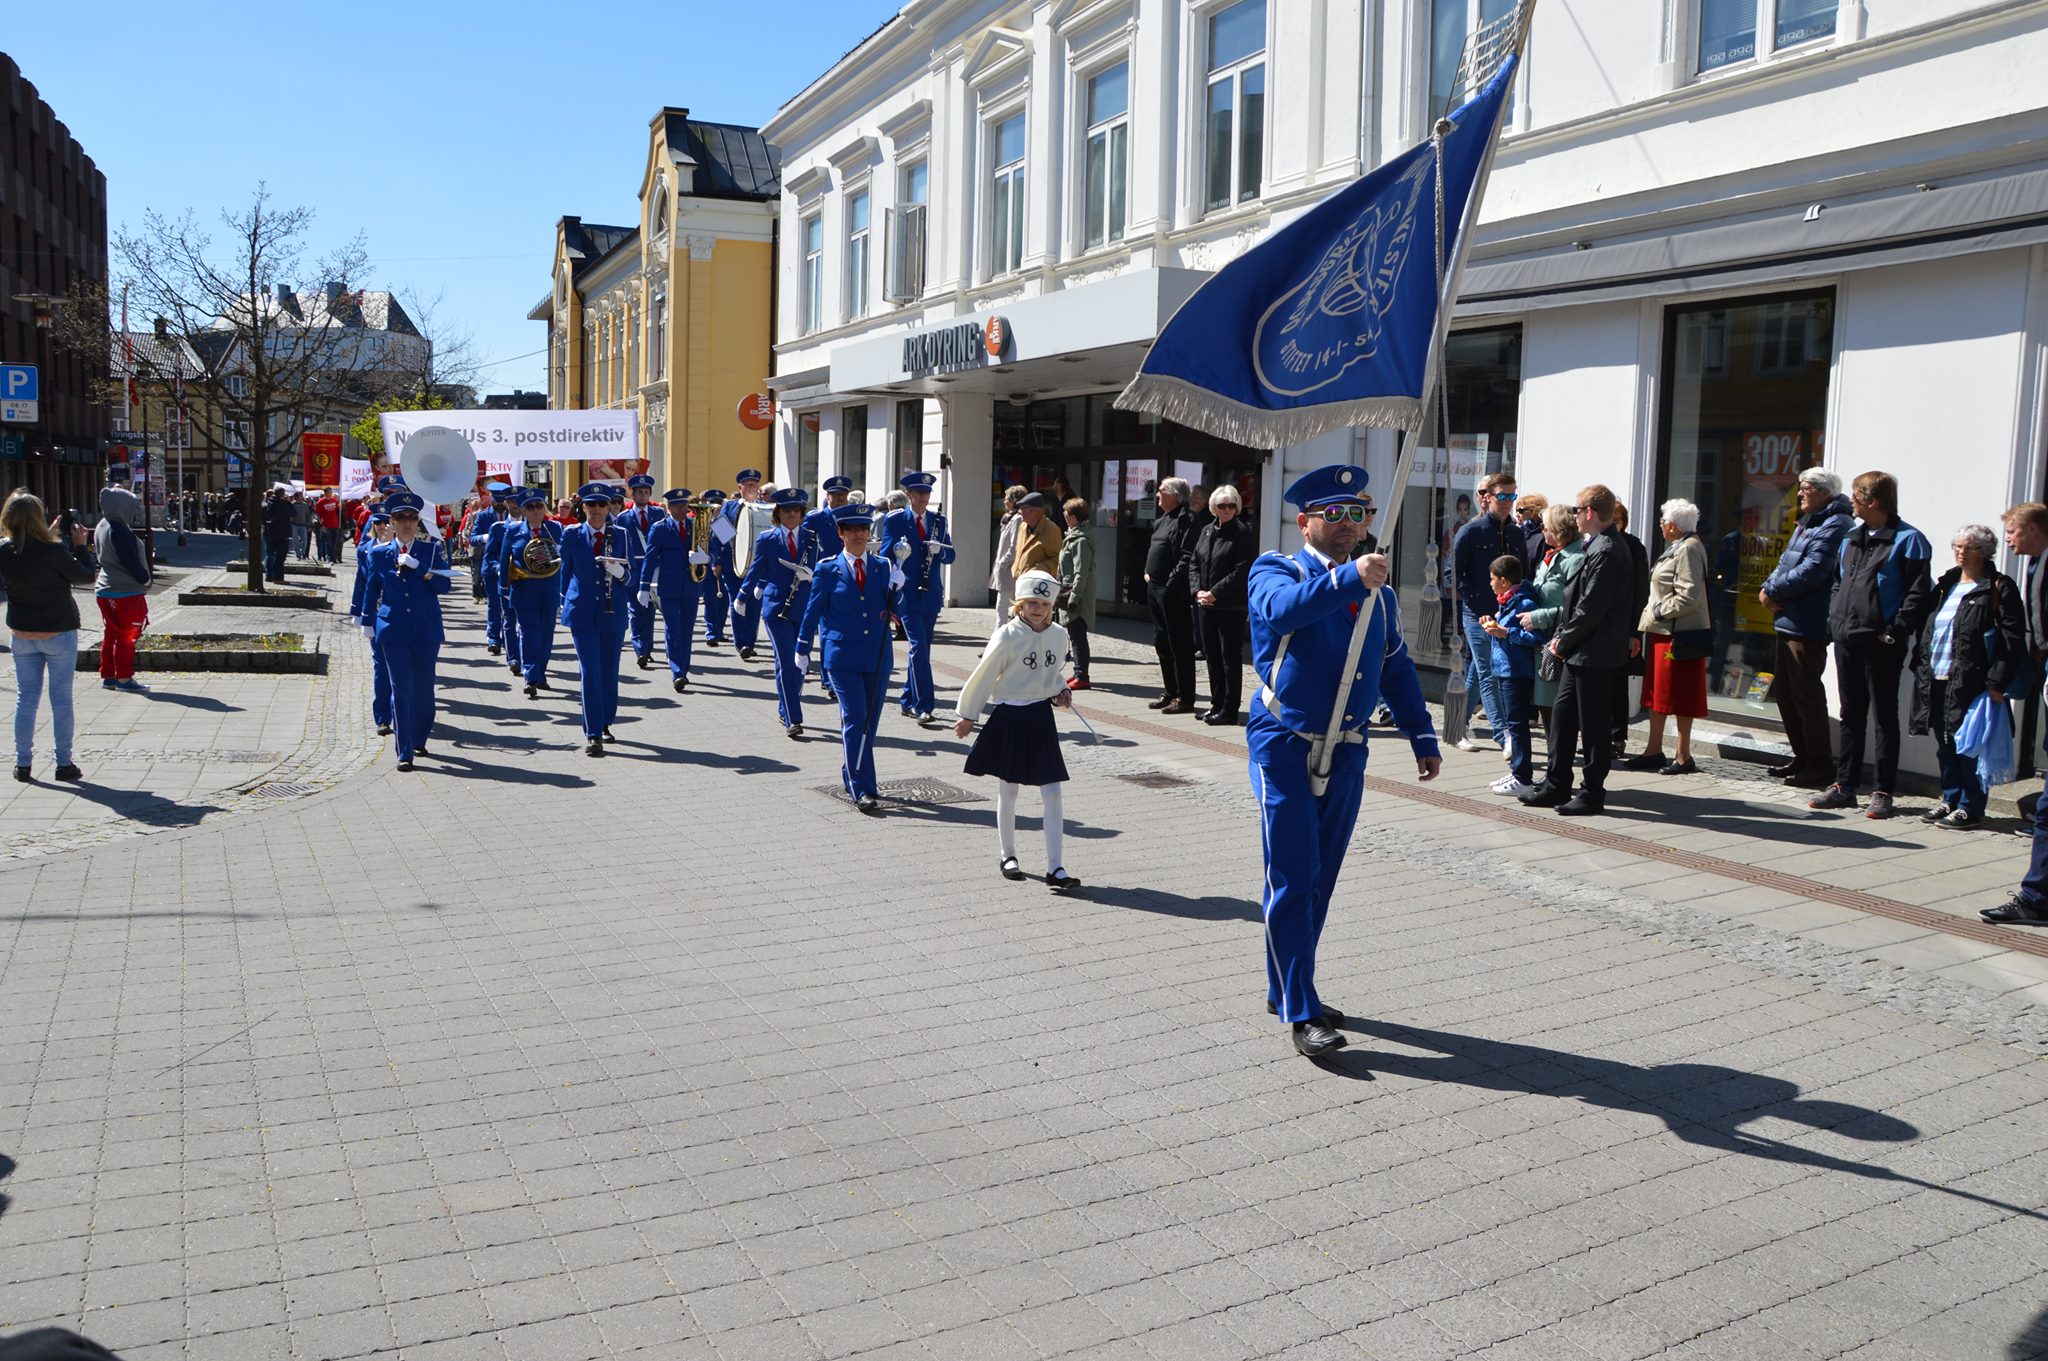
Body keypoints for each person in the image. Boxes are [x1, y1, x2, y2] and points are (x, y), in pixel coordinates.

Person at [1249, 465, 1440, 1059]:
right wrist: (1350, 582)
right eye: (1331, 515)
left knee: (1322, 878)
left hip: (1349, 747)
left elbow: (1396, 666)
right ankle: (1300, 1011)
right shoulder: (1277, 568)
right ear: (1304, 521)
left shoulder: (1376, 588)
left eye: (1356, 515)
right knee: (1294, 874)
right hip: (1284, 739)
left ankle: (1292, 982)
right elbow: (1282, 612)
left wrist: (1421, 734)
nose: (1345, 526)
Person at [1809, 472, 1933, 819]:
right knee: (1851, 715)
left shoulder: (1910, 540)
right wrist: (1836, 618)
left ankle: (1882, 791)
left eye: (1856, 496)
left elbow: (1918, 594)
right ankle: (1845, 786)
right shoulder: (1852, 537)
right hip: (1847, 638)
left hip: (1882, 644)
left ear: (1873, 501)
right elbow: (1838, 583)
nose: (1851, 501)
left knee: (1884, 718)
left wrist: (1894, 631)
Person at [952, 569, 1080, 889]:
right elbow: (985, 673)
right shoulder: (1007, 635)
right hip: (1010, 715)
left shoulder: (1059, 635)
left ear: (1053, 606)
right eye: (1031, 602)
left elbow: (1052, 674)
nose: (1037, 608)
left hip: (1040, 719)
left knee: (1052, 791)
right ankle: (1008, 854)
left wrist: (1060, 692)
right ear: (1020, 604)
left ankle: (1056, 867)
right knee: (1008, 789)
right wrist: (969, 713)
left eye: (1044, 603)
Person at [1521, 486, 1633, 816]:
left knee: (1594, 724)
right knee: (1564, 718)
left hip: (1594, 652)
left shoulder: (1609, 549)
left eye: (1576, 509)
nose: (1574, 515)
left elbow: (1591, 608)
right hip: (1581, 650)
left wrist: (1561, 640)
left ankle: (1592, 792)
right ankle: (1557, 783)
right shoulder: (1597, 545)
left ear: (1590, 512)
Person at [1907, 525, 2023, 831]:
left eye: (1969, 547)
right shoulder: (1946, 584)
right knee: (1944, 743)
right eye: (1957, 546)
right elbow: (1927, 629)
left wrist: (1997, 682)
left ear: (1984, 552)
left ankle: (1971, 806)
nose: (1961, 552)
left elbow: (2012, 641)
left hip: (1974, 681)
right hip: (1937, 676)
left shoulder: (1999, 587)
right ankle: (1951, 797)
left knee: (1969, 745)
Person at [797, 502, 899, 813]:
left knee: (870, 722)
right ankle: (862, 787)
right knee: (856, 720)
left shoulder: (882, 566)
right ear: (840, 533)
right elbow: (812, 611)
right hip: (841, 658)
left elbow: (895, 611)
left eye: (863, 530)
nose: (858, 535)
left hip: (877, 656)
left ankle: (851, 771)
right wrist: (802, 647)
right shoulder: (828, 569)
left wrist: (901, 590)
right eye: (851, 530)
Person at [1760, 469, 1854, 788]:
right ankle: (1801, 757)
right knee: (1786, 693)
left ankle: (1819, 766)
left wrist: (1775, 592)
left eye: (1806, 489)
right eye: (1800, 488)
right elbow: (1786, 561)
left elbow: (1814, 569)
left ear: (1825, 492)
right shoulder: (1809, 520)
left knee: (1806, 695)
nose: (1799, 494)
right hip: (1789, 619)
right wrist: (1768, 587)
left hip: (1809, 622)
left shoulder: (1836, 524)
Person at [1, 490, 95, 783]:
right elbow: (84, 576)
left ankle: (23, 764)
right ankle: (63, 763)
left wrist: (48, 537)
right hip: (58, 632)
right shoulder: (55, 552)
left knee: (25, 700)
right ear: (38, 519)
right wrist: (80, 546)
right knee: (61, 700)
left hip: (22, 633)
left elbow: (27, 554)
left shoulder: (4, 549)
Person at [1986, 504, 2048, 922]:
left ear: (2035, 530)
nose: (2007, 538)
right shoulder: (2035, 564)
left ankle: (2036, 898)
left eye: (2012, 530)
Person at [1620, 499, 1712, 776]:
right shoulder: (1679, 546)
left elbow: (1690, 594)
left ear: (1673, 525)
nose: (1660, 525)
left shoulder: (1689, 549)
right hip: (1664, 632)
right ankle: (1653, 750)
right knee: (1657, 693)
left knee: (1680, 694)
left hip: (1678, 633)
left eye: (1662, 521)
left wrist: (1658, 611)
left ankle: (1683, 756)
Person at [358, 493, 449, 771]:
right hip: (393, 629)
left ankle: (419, 738)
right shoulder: (379, 553)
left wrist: (420, 568)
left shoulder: (432, 550)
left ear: (418, 521)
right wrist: (366, 620)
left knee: (423, 690)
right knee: (401, 690)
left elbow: (445, 587)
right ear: (392, 522)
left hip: (426, 628)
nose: (407, 523)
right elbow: (371, 587)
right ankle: (404, 751)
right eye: (401, 518)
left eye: (412, 518)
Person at [560, 483, 631, 757]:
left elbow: (631, 575)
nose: (598, 510)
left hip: (613, 613)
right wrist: (567, 601)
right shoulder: (572, 535)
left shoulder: (621, 534)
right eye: (592, 505)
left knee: (609, 671)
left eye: (603, 504)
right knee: (590, 670)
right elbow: (565, 574)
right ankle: (592, 733)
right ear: (584, 507)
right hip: (583, 614)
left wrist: (620, 574)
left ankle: (605, 722)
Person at [738, 487, 815, 737]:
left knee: (801, 662)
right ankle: (793, 718)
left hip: (803, 607)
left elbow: (823, 570)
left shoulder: (812, 538)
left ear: (802, 513)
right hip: (776, 608)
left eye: (796, 510)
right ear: (778, 513)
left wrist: (812, 576)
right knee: (786, 662)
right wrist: (742, 595)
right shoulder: (768, 538)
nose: (792, 514)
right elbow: (757, 569)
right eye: (786, 510)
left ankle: (786, 705)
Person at [1451, 473, 1519, 752]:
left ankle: (1456, 727)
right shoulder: (1470, 531)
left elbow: (1519, 576)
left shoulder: (1515, 532)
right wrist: (1478, 607)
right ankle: (1504, 737)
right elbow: (1453, 575)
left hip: (1504, 615)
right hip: (1476, 614)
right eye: (1502, 496)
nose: (1507, 502)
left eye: (1511, 496)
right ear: (1487, 497)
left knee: (1478, 674)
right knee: (1489, 671)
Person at [879, 471, 955, 723]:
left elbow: (951, 555)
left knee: (922, 650)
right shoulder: (896, 520)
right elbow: (885, 554)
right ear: (909, 495)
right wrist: (894, 575)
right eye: (919, 493)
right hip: (908, 593)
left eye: (927, 493)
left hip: (931, 594)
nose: (923, 497)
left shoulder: (938, 521)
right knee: (918, 648)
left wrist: (940, 551)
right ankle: (925, 706)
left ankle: (907, 699)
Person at [1192, 483, 1255, 725]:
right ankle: (1216, 703)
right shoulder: (1207, 530)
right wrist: (1198, 590)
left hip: (1230, 605)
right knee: (1211, 655)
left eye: (1231, 505)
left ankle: (1230, 709)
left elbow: (1242, 570)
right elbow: (1195, 562)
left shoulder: (1242, 532)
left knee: (1229, 657)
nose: (1227, 509)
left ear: (1237, 507)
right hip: (1205, 604)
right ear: (1214, 508)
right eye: (1222, 505)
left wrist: (1215, 593)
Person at [635, 488, 709, 695]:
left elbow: (707, 549)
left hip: (691, 586)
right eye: (677, 506)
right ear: (668, 507)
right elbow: (650, 559)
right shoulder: (659, 528)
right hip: (668, 587)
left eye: (684, 505)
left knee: (687, 630)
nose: (682, 509)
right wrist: (643, 586)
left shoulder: (695, 526)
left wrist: (705, 559)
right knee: (673, 628)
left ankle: (683, 667)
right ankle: (677, 671)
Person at [1519, 502, 1586, 728]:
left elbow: (1577, 609)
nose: (1542, 531)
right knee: (1545, 706)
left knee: (1555, 707)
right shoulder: (1553, 554)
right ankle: (1554, 756)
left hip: (1559, 642)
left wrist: (1537, 617)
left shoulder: (1575, 559)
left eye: (1545, 527)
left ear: (1558, 528)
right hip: (1542, 640)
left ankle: (1557, 757)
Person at [1481, 555, 1544, 795]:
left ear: (1505, 581)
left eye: (1492, 579)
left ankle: (1523, 777)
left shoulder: (1525, 603)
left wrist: (1505, 632)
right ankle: (1518, 771)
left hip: (1516, 671)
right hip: (1504, 669)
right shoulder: (1506, 600)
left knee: (1517, 725)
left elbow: (1537, 638)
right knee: (1512, 723)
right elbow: (1502, 634)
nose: (1490, 583)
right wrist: (1491, 626)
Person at [500, 492, 565, 701]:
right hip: (523, 590)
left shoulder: (555, 528)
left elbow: (564, 558)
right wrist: (504, 589)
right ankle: (530, 677)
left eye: (538, 506)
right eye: (530, 508)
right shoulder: (512, 530)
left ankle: (541, 673)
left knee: (546, 635)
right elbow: (504, 561)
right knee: (529, 634)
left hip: (549, 589)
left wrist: (558, 551)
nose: (535, 511)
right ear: (524, 511)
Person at [1143, 478, 1200, 715]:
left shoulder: (1188, 519)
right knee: (1162, 643)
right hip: (1155, 588)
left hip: (1172, 591)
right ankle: (1171, 691)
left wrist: (1170, 583)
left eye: (1161, 491)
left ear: (1175, 495)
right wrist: (1148, 572)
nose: (1157, 494)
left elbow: (1187, 556)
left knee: (1180, 645)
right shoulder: (1162, 520)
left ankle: (1185, 697)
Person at [92, 485, 153, 694]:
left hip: (105, 588)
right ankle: (125, 678)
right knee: (127, 637)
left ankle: (109, 675)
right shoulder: (119, 529)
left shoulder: (102, 524)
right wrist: (145, 579)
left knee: (111, 634)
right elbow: (130, 562)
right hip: (126, 590)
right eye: (130, 506)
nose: (133, 511)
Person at [1608, 500, 1652, 760]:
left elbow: (1641, 592)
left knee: (1618, 684)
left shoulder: (1634, 547)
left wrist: (1636, 633)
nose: (1614, 525)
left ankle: (1617, 737)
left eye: (1618, 520)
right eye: (1610, 520)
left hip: (1624, 627)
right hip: (1603, 627)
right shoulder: (1597, 542)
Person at [349, 510, 397, 734]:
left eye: (387, 522)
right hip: (377, 614)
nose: (383, 526)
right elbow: (362, 582)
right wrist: (360, 613)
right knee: (380, 665)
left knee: (399, 667)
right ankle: (382, 717)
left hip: (399, 614)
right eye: (378, 523)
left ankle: (401, 711)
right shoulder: (365, 549)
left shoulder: (403, 549)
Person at [717, 469, 772, 660]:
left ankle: (750, 641)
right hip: (733, 564)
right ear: (739, 487)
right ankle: (741, 643)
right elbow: (720, 534)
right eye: (747, 485)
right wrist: (717, 561)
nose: (751, 487)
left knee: (754, 603)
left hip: (758, 566)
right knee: (737, 601)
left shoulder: (766, 508)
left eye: (754, 484)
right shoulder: (729, 507)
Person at [616, 474, 667, 669]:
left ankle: (648, 647)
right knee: (636, 609)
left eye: (646, 493)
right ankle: (640, 649)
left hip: (654, 568)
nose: (643, 496)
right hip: (634, 567)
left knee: (650, 609)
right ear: (633, 495)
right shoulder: (623, 517)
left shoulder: (659, 514)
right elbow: (620, 544)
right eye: (640, 493)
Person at [1057, 497, 1096, 691]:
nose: (1064, 517)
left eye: (1066, 514)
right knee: (1074, 635)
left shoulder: (1081, 540)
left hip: (1076, 594)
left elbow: (1081, 571)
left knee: (1078, 636)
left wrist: (1074, 598)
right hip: (1069, 590)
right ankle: (1078, 673)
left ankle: (1082, 676)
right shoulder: (1073, 535)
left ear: (1074, 516)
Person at [469, 484, 511, 652]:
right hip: (491, 565)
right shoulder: (483, 516)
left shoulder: (514, 515)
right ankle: (493, 638)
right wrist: (485, 537)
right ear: (492, 500)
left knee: (509, 606)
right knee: (494, 604)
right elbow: (473, 538)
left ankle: (509, 640)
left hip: (510, 566)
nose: (500, 505)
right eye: (497, 502)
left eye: (502, 502)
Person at [697, 489, 730, 647]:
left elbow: (727, 547)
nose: (715, 507)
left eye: (718, 504)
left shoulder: (723, 523)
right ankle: (711, 632)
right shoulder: (702, 523)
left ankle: (719, 630)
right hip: (707, 566)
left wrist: (720, 563)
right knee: (711, 600)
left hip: (724, 567)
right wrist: (713, 562)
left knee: (723, 600)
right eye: (712, 503)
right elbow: (705, 546)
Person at [991, 485, 1026, 613]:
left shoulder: (1017, 519)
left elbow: (1014, 547)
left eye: (1006, 498)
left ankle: (1000, 632)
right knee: (1002, 607)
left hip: (1009, 571)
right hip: (1004, 570)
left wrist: (1002, 563)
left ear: (1014, 501)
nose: (1004, 501)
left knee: (1003, 609)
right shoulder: (1008, 518)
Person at [262, 486, 294, 582]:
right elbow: (293, 513)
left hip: (268, 533)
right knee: (280, 557)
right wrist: (288, 502)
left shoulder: (265, 504)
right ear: (283, 494)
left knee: (269, 555)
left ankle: (268, 576)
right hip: (281, 533)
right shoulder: (284, 504)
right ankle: (278, 577)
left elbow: (262, 518)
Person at [1514, 493, 1549, 570]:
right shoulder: (1516, 533)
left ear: (1533, 511)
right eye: (1516, 511)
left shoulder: (1543, 536)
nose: (1517, 514)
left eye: (1520, 510)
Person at [315, 488, 341, 563]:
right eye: (329, 492)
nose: (330, 493)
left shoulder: (334, 500)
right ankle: (329, 558)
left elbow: (337, 510)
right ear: (325, 493)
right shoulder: (320, 502)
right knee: (328, 543)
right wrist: (322, 525)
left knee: (334, 543)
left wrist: (340, 508)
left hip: (335, 525)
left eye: (331, 492)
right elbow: (318, 515)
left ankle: (332, 558)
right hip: (326, 526)